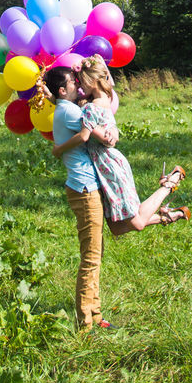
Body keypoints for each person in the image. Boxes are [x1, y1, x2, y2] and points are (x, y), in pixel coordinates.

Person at [55, 55, 190, 237]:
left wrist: (59, 148)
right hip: (106, 165)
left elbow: (88, 135)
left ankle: (170, 182)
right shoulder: (107, 98)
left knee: (138, 222)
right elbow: (105, 80)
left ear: (92, 81)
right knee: (117, 228)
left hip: (108, 165)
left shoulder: (89, 108)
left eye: (81, 82)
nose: (79, 87)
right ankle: (167, 216)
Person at [42, 64, 119, 331]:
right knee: (91, 256)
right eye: (73, 83)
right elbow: (101, 138)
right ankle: (86, 322)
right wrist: (108, 135)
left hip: (84, 186)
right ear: (63, 90)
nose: (78, 85)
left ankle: (95, 314)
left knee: (95, 252)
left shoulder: (65, 107)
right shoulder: (72, 111)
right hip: (84, 188)